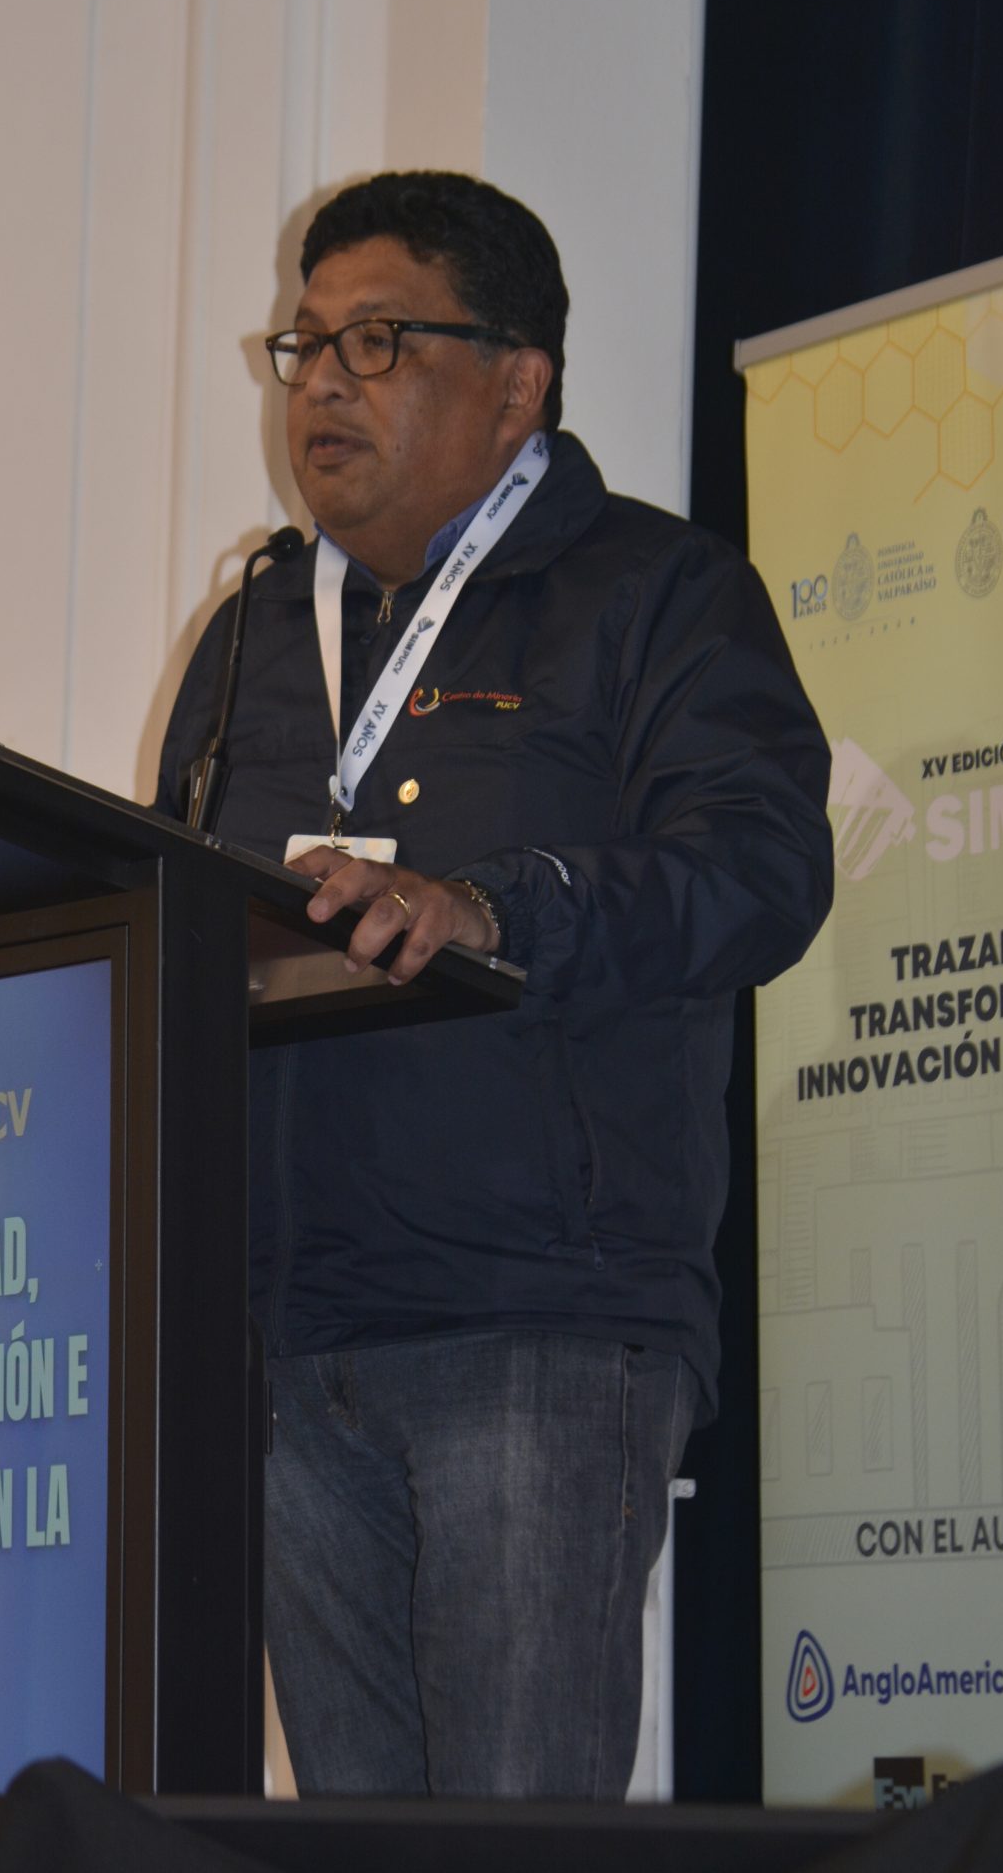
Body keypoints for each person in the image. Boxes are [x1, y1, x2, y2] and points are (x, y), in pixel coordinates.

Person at [155, 172, 833, 1801]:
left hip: (539, 1326)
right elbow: (169, 919)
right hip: (287, 1342)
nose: (321, 383)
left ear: (518, 382)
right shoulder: (253, 637)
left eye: (376, 340)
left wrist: (491, 907)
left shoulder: (658, 595)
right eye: (304, 344)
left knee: (516, 1842)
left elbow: (760, 872)